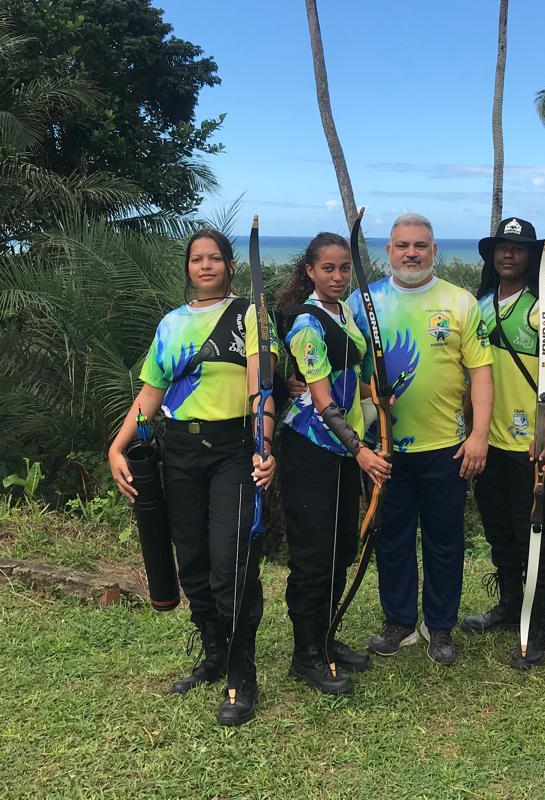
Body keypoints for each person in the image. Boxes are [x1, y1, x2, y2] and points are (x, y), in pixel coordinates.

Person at [108, 228, 277, 727]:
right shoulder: (171, 323)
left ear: (230, 265)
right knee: (194, 563)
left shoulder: (250, 315)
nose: (206, 266)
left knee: (232, 564)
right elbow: (150, 395)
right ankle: (213, 654)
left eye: (215, 258)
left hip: (232, 451)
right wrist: (117, 446)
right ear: (188, 267)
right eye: (197, 259)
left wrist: (264, 446)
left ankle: (242, 675)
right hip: (180, 451)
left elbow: (261, 391)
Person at [352, 212, 493, 667]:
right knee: (391, 537)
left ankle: (440, 625)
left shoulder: (459, 301)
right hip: (383, 447)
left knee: (444, 539)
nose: (411, 253)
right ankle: (400, 622)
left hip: (446, 446)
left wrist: (479, 435)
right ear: (388, 251)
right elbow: (342, 371)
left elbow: (480, 373)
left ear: (434, 251)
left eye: (420, 245)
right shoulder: (363, 301)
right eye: (402, 245)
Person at [275, 232, 392, 696]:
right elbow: (323, 401)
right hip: (312, 447)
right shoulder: (306, 323)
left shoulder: (343, 312)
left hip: (343, 449)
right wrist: (362, 451)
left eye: (345, 268)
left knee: (342, 548)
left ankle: (324, 637)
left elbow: (349, 378)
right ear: (310, 271)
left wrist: (377, 397)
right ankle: (305, 655)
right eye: (328, 268)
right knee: (313, 556)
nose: (339, 276)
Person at [460, 217, 545, 670]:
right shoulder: (480, 306)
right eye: (501, 247)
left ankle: (537, 625)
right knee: (499, 531)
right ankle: (509, 604)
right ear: (491, 255)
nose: (508, 254)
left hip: (528, 446)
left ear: (531, 257)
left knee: (533, 537)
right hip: (487, 442)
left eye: (518, 248)